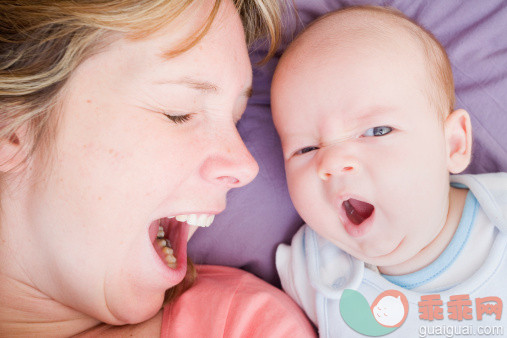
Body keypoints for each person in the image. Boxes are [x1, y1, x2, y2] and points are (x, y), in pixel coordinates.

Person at [0, 0, 317, 336]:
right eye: (178, 112)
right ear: (11, 128)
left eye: (236, 122)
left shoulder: (241, 327)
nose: (245, 166)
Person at [272, 6, 507, 336]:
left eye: (377, 131)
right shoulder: (309, 273)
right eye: (306, 149)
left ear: (453, 145)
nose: (332, 163)